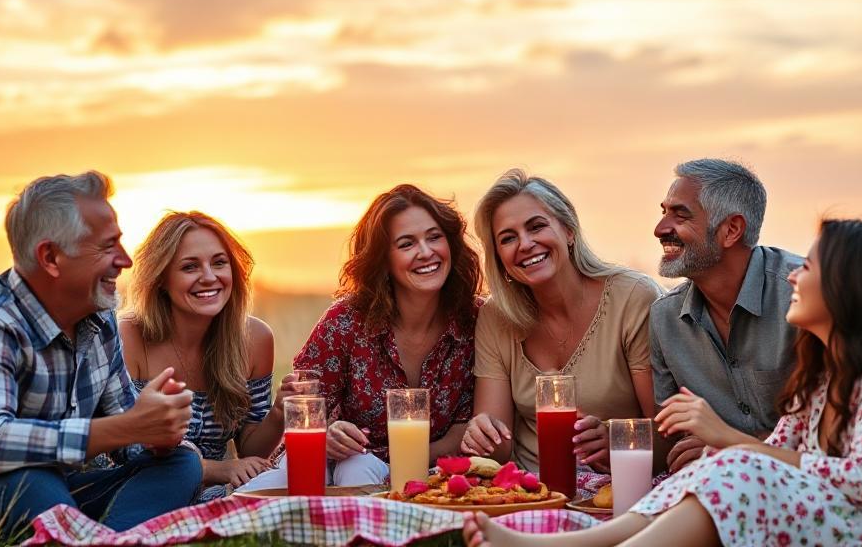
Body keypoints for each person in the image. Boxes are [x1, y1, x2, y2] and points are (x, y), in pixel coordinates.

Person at [464, 218, 862, 546]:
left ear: (855, 286)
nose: (793, 276)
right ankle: (569, 544)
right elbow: (774, 451)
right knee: (729, 462)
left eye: (811, 267)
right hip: (834, 513)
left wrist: (727, 438)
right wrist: (730, 448)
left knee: (738, 465)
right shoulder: (825, 377)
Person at [0, 172, 201, 542]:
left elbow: (126, 431)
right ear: (51, 257)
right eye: (107, 248)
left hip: (61, 489)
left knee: (182, 463)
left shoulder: (99, 318)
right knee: (29, 480)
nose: (125, 260)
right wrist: (129, 427)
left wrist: (157, 434)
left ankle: (107, 539)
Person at [240, 184, 481, 490]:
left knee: (361, 467)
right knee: (350, 466)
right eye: (407, 244)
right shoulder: (345, 320)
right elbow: (305, 410)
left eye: (434, 237)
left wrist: (399, 464)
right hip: (332, 465)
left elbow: (464, 430)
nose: (426, 252)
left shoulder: (473, 320)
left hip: (430, 469)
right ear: (383, 260)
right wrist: (329, 433)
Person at [462, 169, 661, 476]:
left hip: (618, 484)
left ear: (569, 230)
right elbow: (498, 450)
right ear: (499, 257)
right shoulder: (495, 316)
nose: (525, 244)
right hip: (530, 490)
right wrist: (483, 433)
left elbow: (667, 436)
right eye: (508, 238)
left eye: (536, 226)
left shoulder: (632, 298)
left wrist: (615, 441)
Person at [121, 211, 287, 502]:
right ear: (161, 278)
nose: (209, 277)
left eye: (219, 263)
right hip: (141, 490)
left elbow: (250, 452)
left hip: (213, 496)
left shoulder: (255, 339)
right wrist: (219, 469)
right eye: (190, 267)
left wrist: (278, 413)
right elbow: (126, 451)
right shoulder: (128, 336)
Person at [651, 159, 802, 472]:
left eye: (680, 214)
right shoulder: (664, 318)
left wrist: (726, 446)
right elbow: (670, 436)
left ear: (731, 229)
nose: (660, 229)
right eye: (664, 212)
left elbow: (834, 443)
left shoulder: (803, 298)